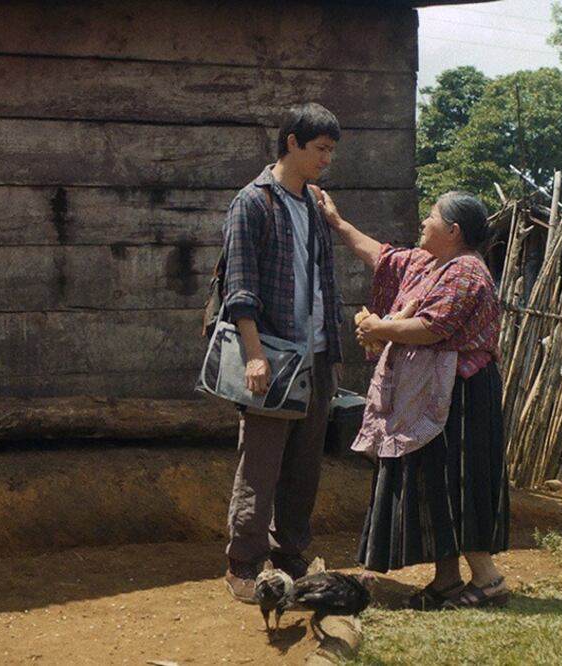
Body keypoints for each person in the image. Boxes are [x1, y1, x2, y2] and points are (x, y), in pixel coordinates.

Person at [318, 189, 511, 610]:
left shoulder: (467, 273)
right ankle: (446, 580)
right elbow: (383, 257)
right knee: (430, 481)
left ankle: (489, 578)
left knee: (459, 481)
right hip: (429, 396)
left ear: (454, 231)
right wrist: (337, 222)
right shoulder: (430, 264)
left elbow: (432, 327)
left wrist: (377, 327)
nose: (424, 222)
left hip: (462, 397)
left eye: (432, 216)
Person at [220, 103, 344, 602]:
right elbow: (240, 286)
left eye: (332, 151)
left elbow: (322, 282)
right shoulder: (251, 203)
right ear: (291, 142)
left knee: (304, 461)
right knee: (262, 461)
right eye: (320, 149)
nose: (327, 160)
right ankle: (243, 562)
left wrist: (333, 345)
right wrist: (254, 354)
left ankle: (289, 550)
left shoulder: (314, 204)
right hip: (272, 353)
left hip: (315, 354)